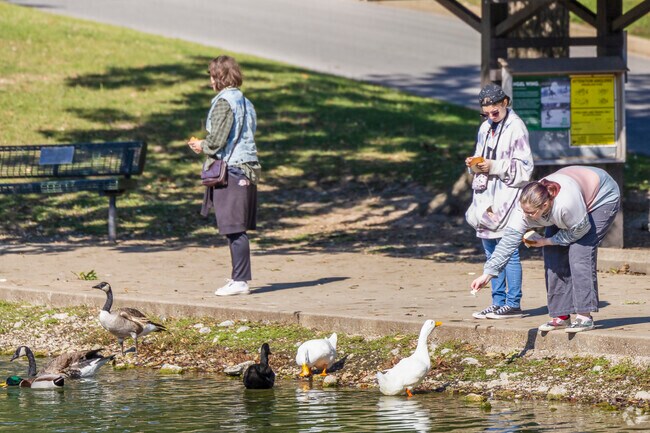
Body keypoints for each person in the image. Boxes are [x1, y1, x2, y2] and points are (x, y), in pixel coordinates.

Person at [470, 165, 620, 333]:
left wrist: (548, 240)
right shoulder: (525, 209)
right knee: (553, 255)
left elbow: (580, 231)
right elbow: (507, 243)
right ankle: (561, 315)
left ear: (545, 205)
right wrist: (488, 273)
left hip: (601, 195)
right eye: (525, 212)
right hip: (572, 194)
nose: (526, 217)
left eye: (531, 214)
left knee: (579, 253)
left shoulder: (565, 205)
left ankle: (584, 316)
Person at [188, 55, 261, 296]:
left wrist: (201, 145)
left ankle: (240, 280)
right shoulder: (246, 102)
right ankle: (237, 277)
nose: (210, 81)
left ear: (219, 77)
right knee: (236, 227)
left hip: (231, 169)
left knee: (234, 228)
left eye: (212, 75)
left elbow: (218, 140)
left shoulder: (224, 102)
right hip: (248, 168)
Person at [466, 83, 534, 320]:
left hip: (508, 196)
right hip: (486, 197)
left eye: (495, 112)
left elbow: (525, 169)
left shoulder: (517, 128)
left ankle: (513, 303)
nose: (491, 117)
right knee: (490, 250)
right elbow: (483, 156)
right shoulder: (486, 127)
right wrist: (476, 163)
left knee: (509, 252)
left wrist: (494, 166)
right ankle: (497, 302)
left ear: (505, 103)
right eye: (486, 114)